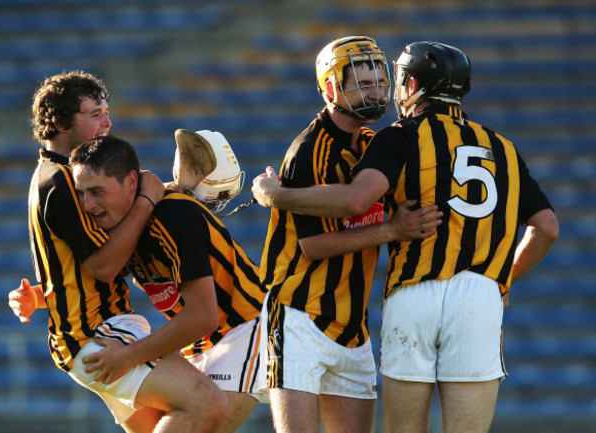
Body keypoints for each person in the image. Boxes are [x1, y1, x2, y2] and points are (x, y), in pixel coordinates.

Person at [251, 41, 559, 433]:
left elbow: (356, 199)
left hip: (409, 293)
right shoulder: (503, 147)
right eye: (366, 82)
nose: (382, 92)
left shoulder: (391, 138)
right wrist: (504, 277)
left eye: (386, 81)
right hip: (473, 296)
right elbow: (547, 227)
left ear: (411, 86)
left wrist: (274, 195)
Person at [9, 71, 226, 433]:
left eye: (106, 111)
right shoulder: (61, 181)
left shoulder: (59, 175)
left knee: (170, 422)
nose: (107, 122)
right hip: (98, 336)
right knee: (207, 404)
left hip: (92, 333)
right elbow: (106, 266)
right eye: (95, 114)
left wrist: (42, 296)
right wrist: (145, 199)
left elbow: (79, 271)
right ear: (61, 123)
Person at [253, 36, 442, 433]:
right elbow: (315, 245)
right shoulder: (310, 150)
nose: (375, 93)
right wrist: (391, 230)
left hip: (352, 327)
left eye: (378, 83)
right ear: (329, 89)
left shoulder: (375, 145)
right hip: (298, 314)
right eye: (363, 84)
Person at [66, 133, 268, 433]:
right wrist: (42, 296)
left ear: (131, 183)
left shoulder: (175, 216)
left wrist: (128, 356)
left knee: (199, 422)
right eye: (82, 193)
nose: (87, 204)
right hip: (197, 342)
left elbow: (203, 315)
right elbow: (105, 277)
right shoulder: (123, 223)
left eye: (96, 191)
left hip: (247, 328)